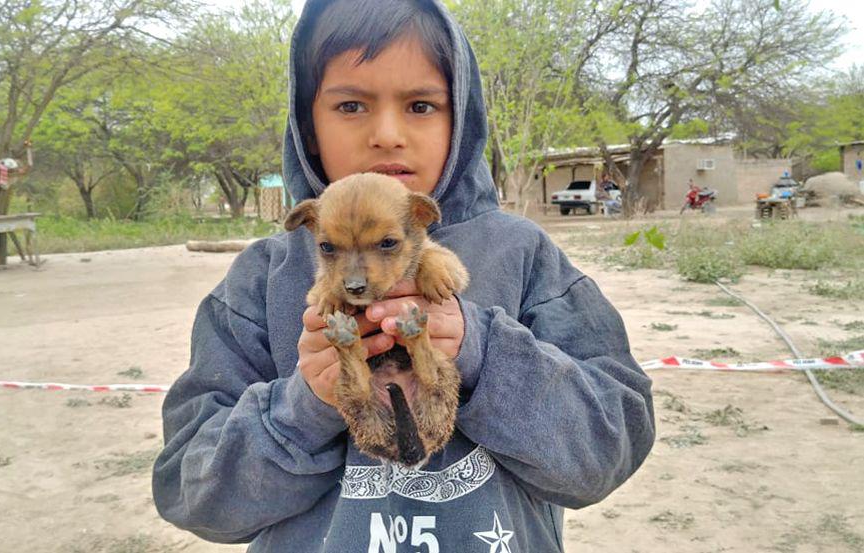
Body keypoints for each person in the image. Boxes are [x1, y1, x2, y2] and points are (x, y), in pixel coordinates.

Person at [152, 1, 655, 551]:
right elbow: (190, 492)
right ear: (307, 125)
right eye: (350, 104)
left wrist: (481, 350)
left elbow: (612, 445)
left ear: (460, 116)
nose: (387, 134)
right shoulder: (260, 278)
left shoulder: (522, 254)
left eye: (420, 105)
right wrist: (305, 406)